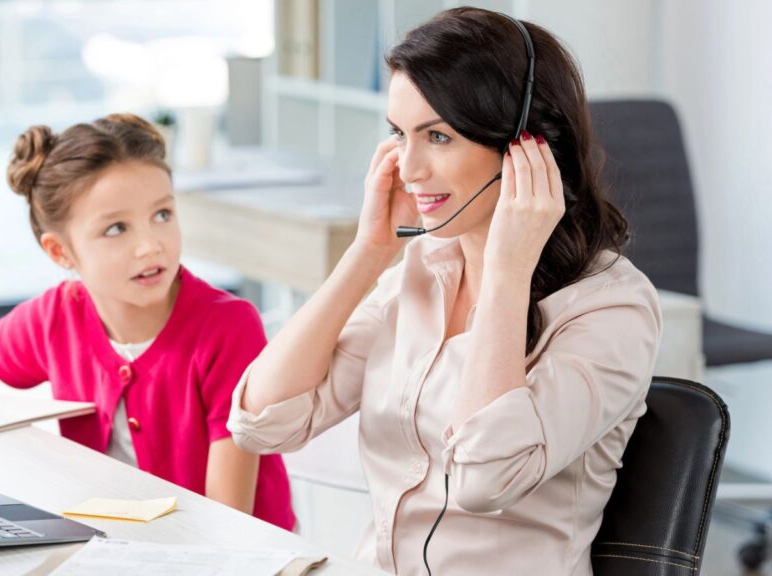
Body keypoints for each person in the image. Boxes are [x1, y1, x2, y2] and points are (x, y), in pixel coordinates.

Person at [228, 8, 660, 574]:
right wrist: (367, 253)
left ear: (526, 146)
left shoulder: (611, 309)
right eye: (398, 135)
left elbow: (484, 480)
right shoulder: (423, 269)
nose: (408, 167)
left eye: (437, 136)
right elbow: (263, 423)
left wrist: (505, 273)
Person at [0, 113, 295, 531]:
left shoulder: (228, 326)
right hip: (119, 545)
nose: (150, 246)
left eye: (162, 215)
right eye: (116, 229)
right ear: (60, 252)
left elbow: (230, 522)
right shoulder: (58, 316)